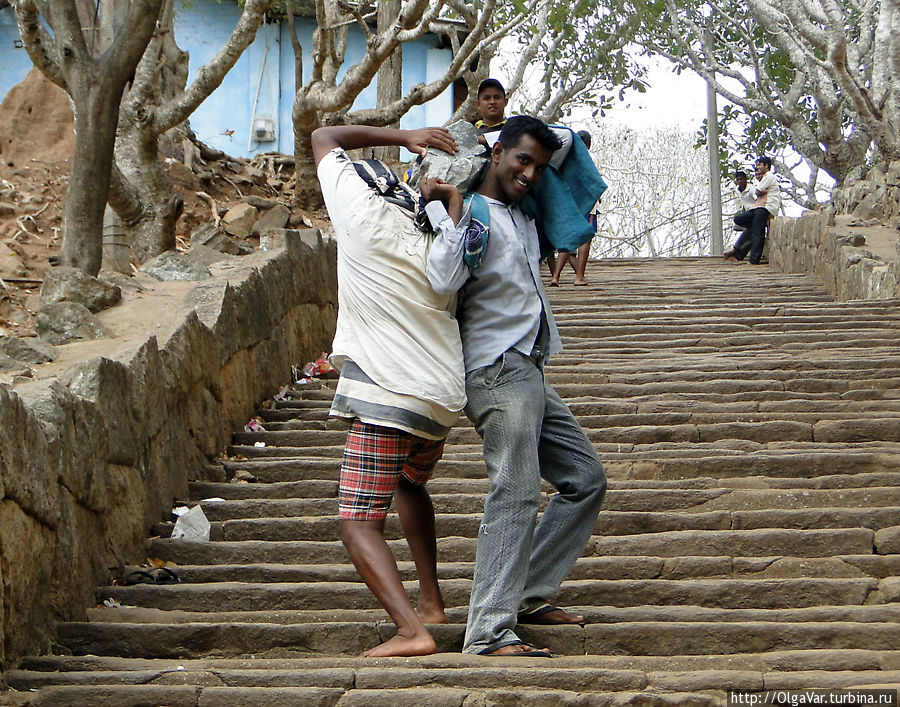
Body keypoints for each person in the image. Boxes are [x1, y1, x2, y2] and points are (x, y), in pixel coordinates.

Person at [423, 116, 607, 658]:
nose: (530, 173)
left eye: (538, 167)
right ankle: (488, 630)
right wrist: (455, 206)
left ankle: (527, 593)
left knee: (585, 478)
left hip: (529, 368)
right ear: (498, 152)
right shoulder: (471, 214)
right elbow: (441, 279)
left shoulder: (525, 213)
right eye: (521, 160)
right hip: (495, 368)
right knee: (517, 489)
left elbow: (569, 144)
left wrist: (549, 143)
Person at [311, 124, 466, 658]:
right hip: (441, 399)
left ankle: (411, 631)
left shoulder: (356, 209)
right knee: (407, 484)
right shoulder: (435, 231)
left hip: (386, 390)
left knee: (356, 519)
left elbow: (323, 133)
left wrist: (403, 135)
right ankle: (431, 600)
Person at [550, 130, 598, 286]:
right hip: (585, 203)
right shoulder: (585, 160)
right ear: (588, 144)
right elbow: (592, 182)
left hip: (567, 202)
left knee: (567, 238)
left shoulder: (564, 156)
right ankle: (579, 277)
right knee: (585, 238)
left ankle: (555, 277)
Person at [726, 157, 781, 264]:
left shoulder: (768, 176)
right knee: (740, 220)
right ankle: (738, 252)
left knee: (757, 234)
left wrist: (760, 192)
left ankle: (752, 259)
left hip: (764, 208)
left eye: (759, 165)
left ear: (766, 166)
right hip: (757, 209)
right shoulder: (739, 191)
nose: (758, 168)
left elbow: (757, 191)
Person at [724, 171, 758, 261]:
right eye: (738, 179)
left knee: (738, 219)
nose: (740, 181)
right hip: (748, 213)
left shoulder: (751, 189)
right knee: (752, 234)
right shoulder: (738, 190)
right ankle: (739, 256)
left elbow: (758, 199)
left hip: (755, 212)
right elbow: (744, 203)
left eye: (741, 179)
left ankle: (735, 249)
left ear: (745, 179)